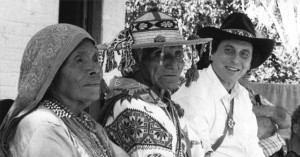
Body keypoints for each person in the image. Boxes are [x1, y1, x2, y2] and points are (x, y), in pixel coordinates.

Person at [98, 7, 212, 157]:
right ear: (136, 61)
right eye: (160, 54)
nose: (173, 64)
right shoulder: (130, 108)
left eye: (178, 54)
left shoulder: (163, 103)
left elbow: (199, 149)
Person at [0, 24, 128, 157]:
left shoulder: (85, 123)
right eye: (78, 60)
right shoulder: (44, 125)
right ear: (50, 73)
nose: (95, 69)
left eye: (95, 59)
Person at [172, 12, 275, 157]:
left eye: (244, 54)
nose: (235, 60)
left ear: (250, 62)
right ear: (213, 53)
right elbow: (197, 153)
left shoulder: (241, 94)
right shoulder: (195, 95)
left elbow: (251, 146)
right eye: (229, 50)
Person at [239, 71, 290, 157]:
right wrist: (270, 118)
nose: (249, 72)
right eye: (243, 69)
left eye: (250, 68)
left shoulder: (255, 96)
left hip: (282, 151)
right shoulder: (223, 96)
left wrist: (269, 111)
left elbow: (287, 121)